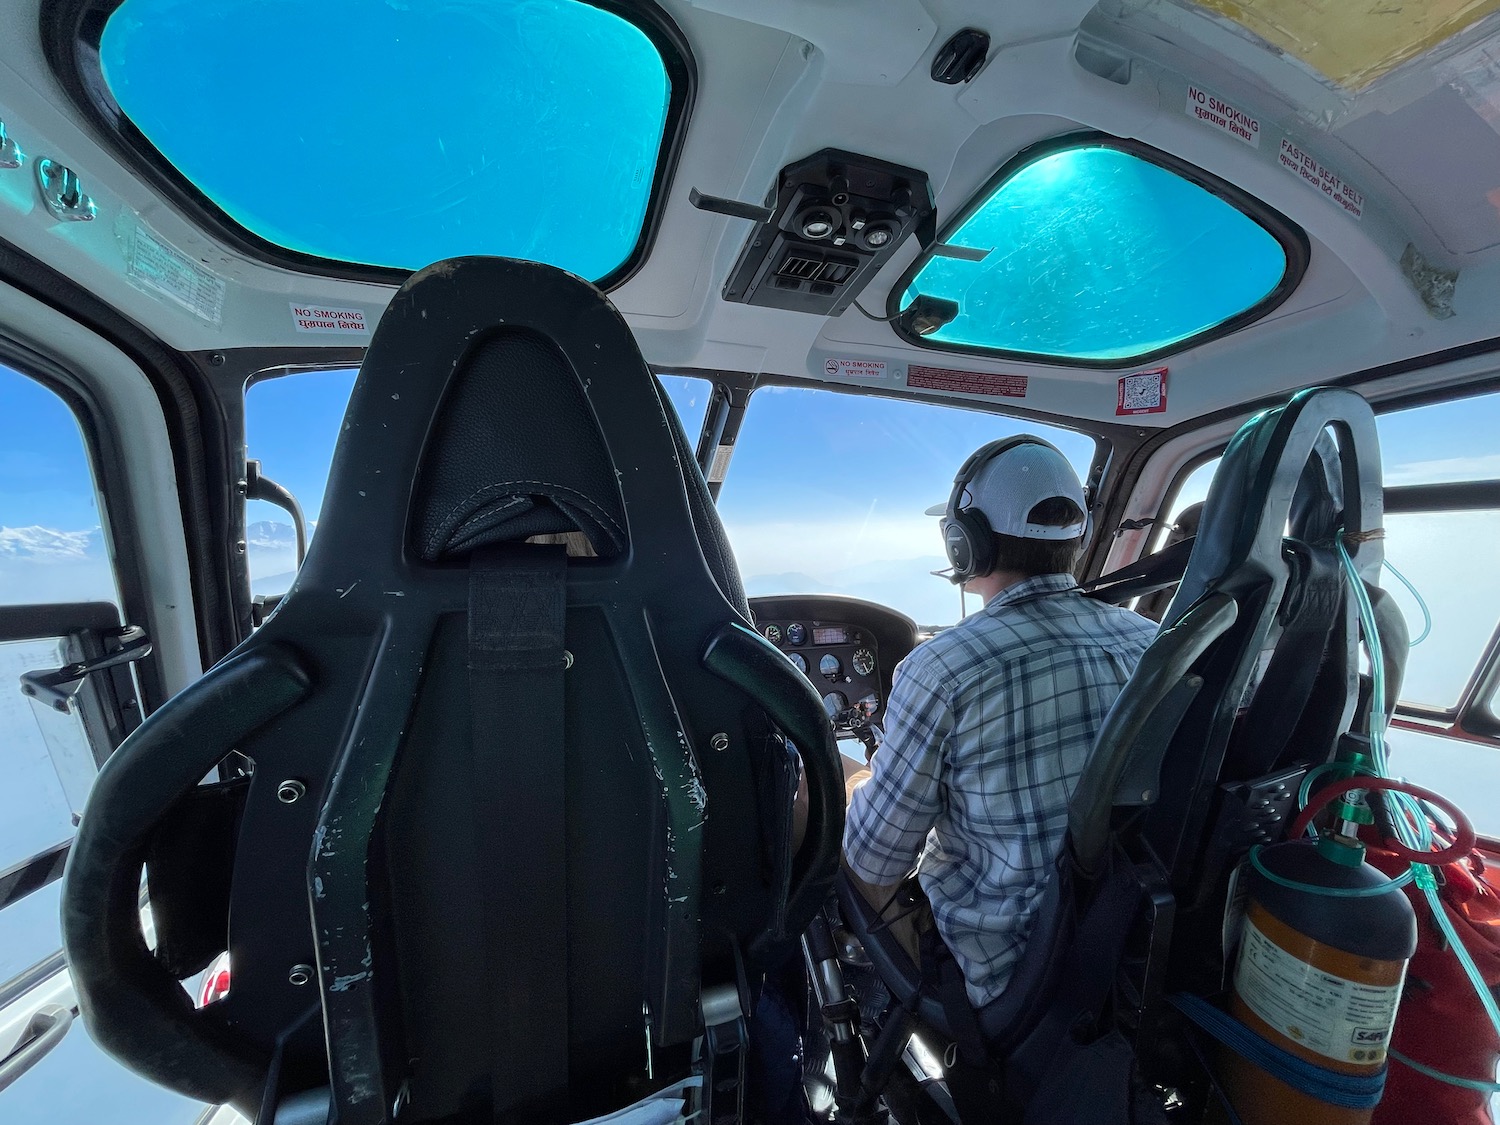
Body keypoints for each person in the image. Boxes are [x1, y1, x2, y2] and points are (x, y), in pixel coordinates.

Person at [843, 436, 1157, 1009]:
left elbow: (875, 858)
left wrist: (855, 781)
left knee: (819, 808)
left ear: (966, 544)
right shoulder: (1152, 643)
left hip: (1007, 977)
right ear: (1080, 536)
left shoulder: (943, 668)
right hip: (1126, 949)